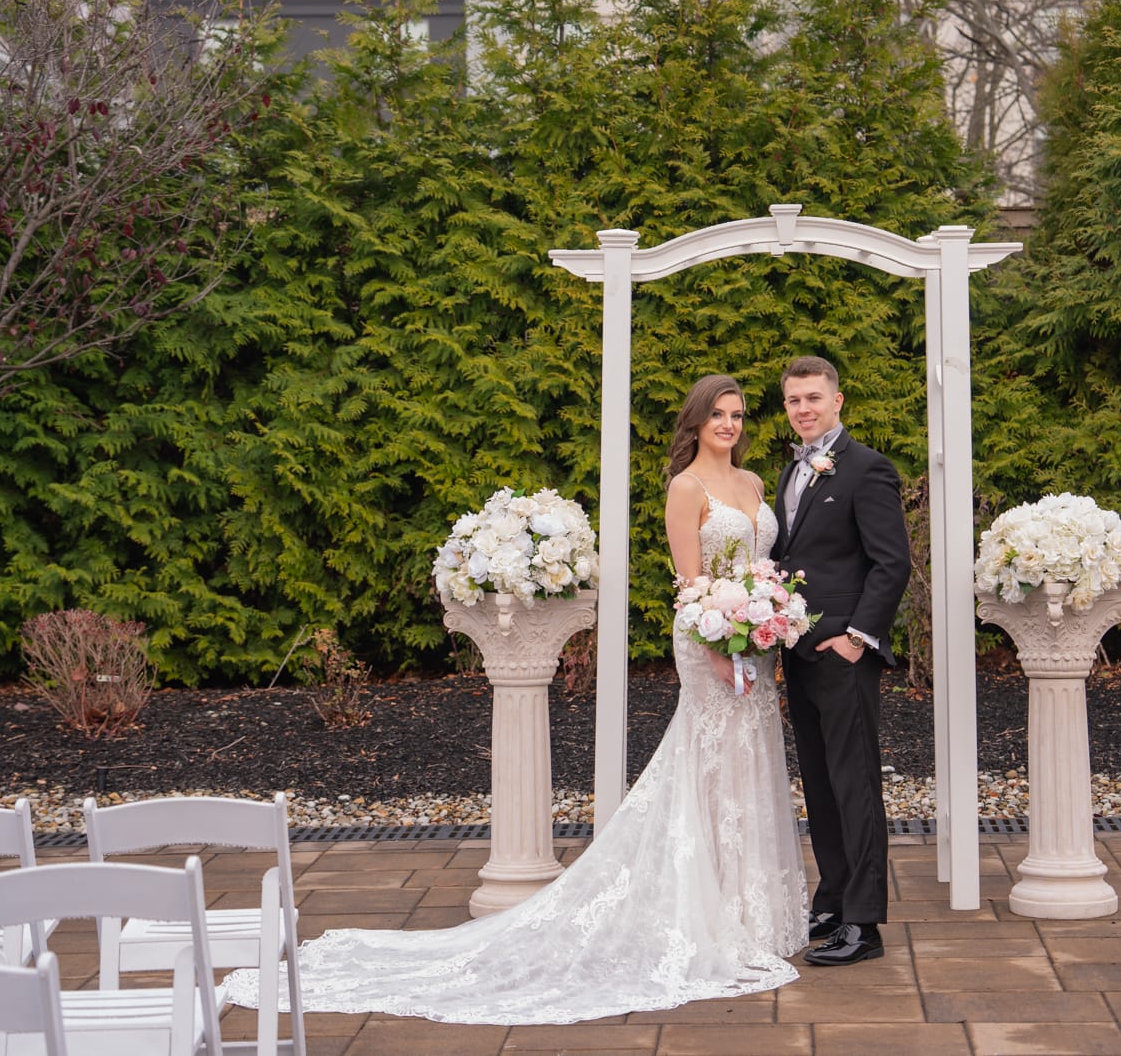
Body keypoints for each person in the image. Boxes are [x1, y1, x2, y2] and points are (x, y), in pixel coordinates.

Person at [223, 374, 806, 1023]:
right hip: (707, 642)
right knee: (709, 762)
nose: (729, 424)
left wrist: (766, 626)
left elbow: (765, 570)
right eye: (717, 414)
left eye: (737, 414)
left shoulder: (754, 485)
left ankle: (751, 910)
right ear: (696, 422)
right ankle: (707, 911)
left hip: (755, 639)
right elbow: (690, 582)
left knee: (750, 762)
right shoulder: (686, 488)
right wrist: (721, 647)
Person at [773, 355, 911, 967]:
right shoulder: (789, 473)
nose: (803, 409)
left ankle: (864, 923)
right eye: (793, 401)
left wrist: (857, 637)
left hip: (844, 653)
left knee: (855, 784)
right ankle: (831, 898)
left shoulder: (867, 468)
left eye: (813, 398)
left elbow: (892, 562)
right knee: (822, 785)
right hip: (799, 650)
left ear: (838, 401)